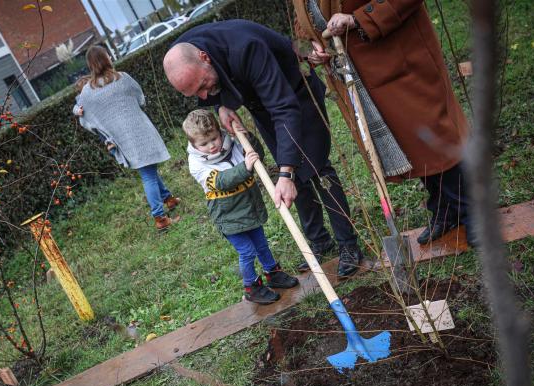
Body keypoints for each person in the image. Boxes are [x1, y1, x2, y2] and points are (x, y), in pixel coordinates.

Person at [163, 20, 363, 278]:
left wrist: (286, 172)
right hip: (263, 105)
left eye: (203, 86)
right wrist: (220, 105)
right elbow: (210, 89)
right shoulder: (187, 52)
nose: (203, 95)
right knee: (290, 173)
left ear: (204, 58)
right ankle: (319, 240)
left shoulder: (245, 48)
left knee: (316, 168)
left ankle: (348, 245)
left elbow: (284, 107)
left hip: (296, 92)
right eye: (196, 93)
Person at [297, 0, 472, 245]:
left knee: (433, 134)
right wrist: (308, 48)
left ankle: (472, 211)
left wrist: (357, 19)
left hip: (402, 60)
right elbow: (301, 27)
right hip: (361, 79)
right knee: (411, 142)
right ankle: (445, 209)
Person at [183, 109, 299, 304]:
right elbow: (221, 181)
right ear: (194, 145)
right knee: (247, 252)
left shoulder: (233, 144)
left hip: (250, 208)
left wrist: (247, 138)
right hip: (228, 217)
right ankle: (251, 287)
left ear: (220, 133)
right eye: (204, 144)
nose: (211, 146)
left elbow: (256, 156)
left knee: (261, 244)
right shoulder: (196, 164)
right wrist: (244, 167)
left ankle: (273, 273)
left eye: (214, 139)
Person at [74, 46, 180, 232]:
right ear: (107, 58)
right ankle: (160, 217)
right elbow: (140, 99)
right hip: (139, 130)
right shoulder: (122, 77)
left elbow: (82, 113)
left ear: (90, 65)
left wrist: (77, 110)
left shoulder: (88, 91)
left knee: (149, 168)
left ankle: (168, 199)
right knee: (148, 174)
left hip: (121, 139)